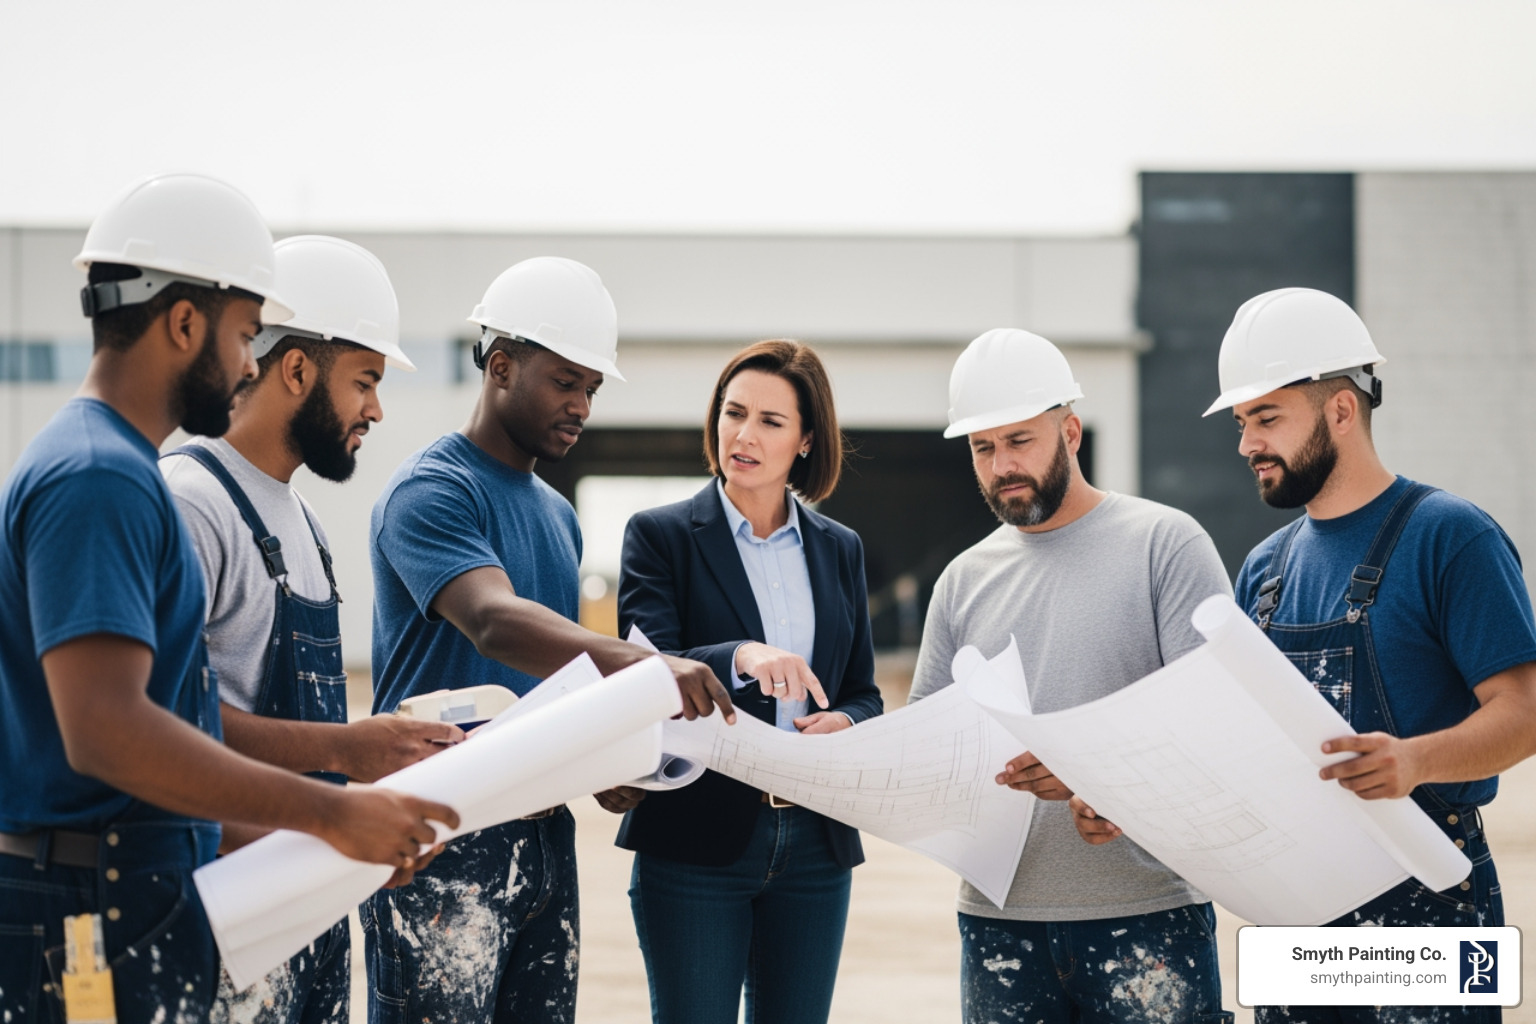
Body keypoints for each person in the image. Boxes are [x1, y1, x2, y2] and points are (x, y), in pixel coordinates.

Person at [0, 174, 457, 1024]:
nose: (250, 361)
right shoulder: (101, 478)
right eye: (246, 332)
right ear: (183, 323)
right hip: (85, 917)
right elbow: (108, 734)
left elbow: (177, 723)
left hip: (127, 895)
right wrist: (331, 812)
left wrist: (333, 812)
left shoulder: (117, 468)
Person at [362, 256, 734, 1024]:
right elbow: (495, 624)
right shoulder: (432, 490)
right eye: (566, 381)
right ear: (501, 366)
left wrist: (604, 760)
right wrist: (647, 666)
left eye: (592, 389)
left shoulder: (557, 517)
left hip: (540, 837)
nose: (582, 406)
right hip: (441, 837)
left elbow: (551, 682)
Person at [1187, 287, 1536, 1023]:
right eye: (1244, 421)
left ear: (1342, 410)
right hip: (1297, 901)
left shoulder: (1450, 537)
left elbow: (1524, 712)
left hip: (1429, 896)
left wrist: (1415, 762)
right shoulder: (1265, 570)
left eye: (1268, 417)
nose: (1248, 442)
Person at [161, 235, 461, 1024]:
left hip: (309, 899)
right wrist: (341, 751)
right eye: (365, 380)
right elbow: (161, 727)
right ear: (296, 370)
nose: (377, 408)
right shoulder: (192, 505)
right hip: (224, 909)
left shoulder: (305, 522)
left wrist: (367, 751)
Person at [909, 328, 1235, 1024]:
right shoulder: (962, 581)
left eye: (1019, 440)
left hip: (1146, 914)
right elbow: (926, 756)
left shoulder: (1165, 545)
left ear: (1071, 431)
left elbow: (1220, 731)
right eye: (982, 447)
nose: (1002, 465)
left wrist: (1101, 777)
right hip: (999, 925)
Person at [615, 339, 885, 1024]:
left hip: (815, 847)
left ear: (804, 440)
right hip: (697, 839)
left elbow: (862, 689)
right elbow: (644, 667)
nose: (744, 433)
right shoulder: (660, 536)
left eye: (770, 420)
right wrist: (740, 654)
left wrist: (846, 722)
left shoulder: (840, 548)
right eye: (734, 412)